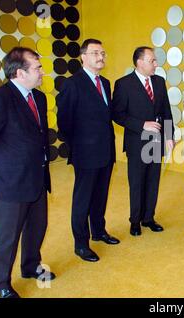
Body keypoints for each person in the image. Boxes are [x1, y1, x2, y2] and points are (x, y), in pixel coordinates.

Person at [0, 47, 55, 298]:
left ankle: (30, 266)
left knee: (37, 227)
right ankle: (1, 282)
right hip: (10, 182)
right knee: (7, 236)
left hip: (37, 176)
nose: (42, 72)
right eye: (38, 67)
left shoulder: (38, 98)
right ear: (20, 72)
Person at [57, 39, 119, 263]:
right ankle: (81, 244)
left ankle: (99, 231)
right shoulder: (72, 84)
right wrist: (79, 146)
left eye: (103, 52)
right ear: (83, 57)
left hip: (105, 151)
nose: (101, 56)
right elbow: (63, 121)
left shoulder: (106, 82)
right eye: (95, 53)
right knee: (83, 199)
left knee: (101, 194)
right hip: (85, 153)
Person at [112, 46, 174, 236]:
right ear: (139, 62)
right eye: (152, 61)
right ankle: (135, 221)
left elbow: (166, 111)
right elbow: (117, 114)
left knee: (153, 181)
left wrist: (169, 136)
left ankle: (148, 218)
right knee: (137, 182)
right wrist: (142, 125)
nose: (156, 64)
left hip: (156, 141)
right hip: (136, 141)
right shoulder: (123, 84)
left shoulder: (160, 81)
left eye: (155, 60)